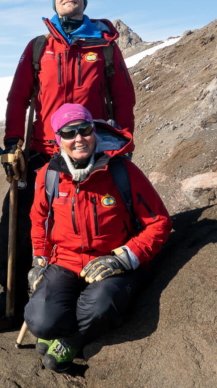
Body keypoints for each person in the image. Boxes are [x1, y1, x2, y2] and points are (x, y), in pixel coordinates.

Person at [0, 0, 137, 321]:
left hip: (88, 150)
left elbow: (123, 97)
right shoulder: (39, 47)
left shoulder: (105, 46)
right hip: (42, 151)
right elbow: (18, 96)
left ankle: (76, 293)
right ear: (53, 2)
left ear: (84, 0)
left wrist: (123, 141)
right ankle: (11, 296)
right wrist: (11, 144)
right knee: (19, 222)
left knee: (86, 222)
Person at [25, 103, 171, 372]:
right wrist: (39, 260)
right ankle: (57, 327)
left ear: (94, 131)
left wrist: (124, 259)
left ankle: (72, 339)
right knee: (39, 320)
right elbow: (40, 221)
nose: (78, 138)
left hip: (115, 264)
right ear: (59, 140)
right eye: (69, 133)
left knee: (99, 307)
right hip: (66, 261)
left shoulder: (122, 171)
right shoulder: (49, 175)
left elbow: (160, 223)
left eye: (85, 130)